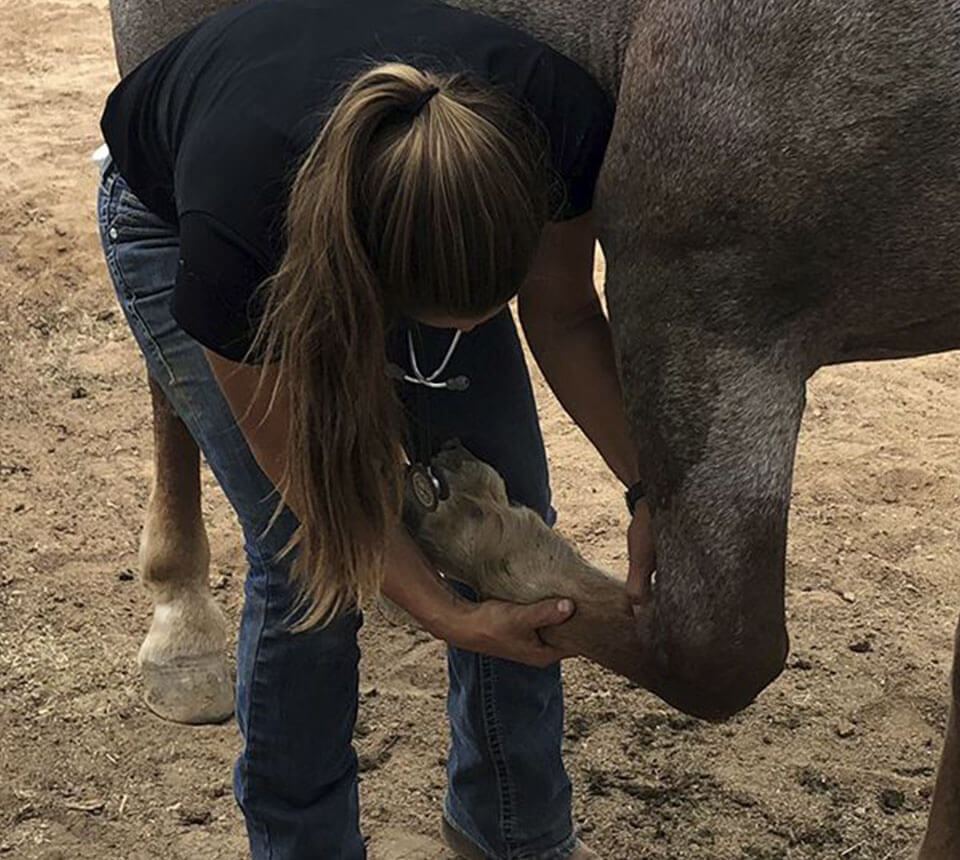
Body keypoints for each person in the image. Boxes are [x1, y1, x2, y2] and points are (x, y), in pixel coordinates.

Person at [97, 0, 654, 856]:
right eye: (436, 318)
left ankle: (516, 829)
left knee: (511, 507)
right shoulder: (239, 229)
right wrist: (452, 618)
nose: (460, 342)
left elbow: (570, 314)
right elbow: (320, 496)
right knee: (305, 567)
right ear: (377, 277)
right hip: (178, 225)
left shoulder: (555, 117)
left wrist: (654, 490)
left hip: (379, 196)